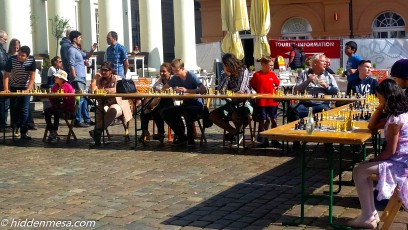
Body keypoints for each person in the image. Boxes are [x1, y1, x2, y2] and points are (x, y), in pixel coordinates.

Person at [347, 79, 408, 229]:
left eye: (380, 98)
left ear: (388, 97)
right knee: (362, 170)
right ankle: (370, 214)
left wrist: (373, 160)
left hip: (401, 163)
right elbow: (372, 126)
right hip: (401, 159)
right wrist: (381, 107)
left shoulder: (395, 120)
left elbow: (390, 151)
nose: (378, 100)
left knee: (360, 170)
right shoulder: (399, 114)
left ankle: (368, 216)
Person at [287, 54, 338, 149]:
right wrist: (308, 81)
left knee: (327, 112)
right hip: (305, 104)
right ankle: (297, 140)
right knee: (292, 109)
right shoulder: (304, 73)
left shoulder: (328, 75)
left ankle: (327, 143)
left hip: (321, 104)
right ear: (315, 63)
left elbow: (336, 91)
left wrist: (327, 87)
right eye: (322, 61)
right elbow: (297, 90)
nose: (325, 63)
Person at [161, 58, 206, 146]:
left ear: (182, 68)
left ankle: (191, 138)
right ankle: (181, 135)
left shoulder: (191, 75)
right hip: (185, 105)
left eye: (176, 71)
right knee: (165, 112)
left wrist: (187, 90)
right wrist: (174, 89)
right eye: (173, 71)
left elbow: (203, 89)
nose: (175, 73)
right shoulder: (175, 78)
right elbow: (164, 88)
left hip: (197, 105)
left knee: (187, 111)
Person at [209, 53, 253, 142]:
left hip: (245, 103)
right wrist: (227, 76)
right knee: (212, 115)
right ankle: (235, 133)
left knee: (235, 115)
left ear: (229, 64)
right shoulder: (225, 74)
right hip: (231, 103)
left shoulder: (243, 71)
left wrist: (229, 93)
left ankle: (236, 133)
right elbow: (220, 91)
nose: (224, 67)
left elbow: (241, 90)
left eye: (225, 65)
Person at [89, 61, 132, 146]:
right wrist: (94, 79)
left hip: (119, 104)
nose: (103, 72)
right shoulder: (100, 80)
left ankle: (97, 130)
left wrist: (108, 90)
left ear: (111, 70)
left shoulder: (117, 78)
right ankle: (97, 137)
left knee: (113, 110)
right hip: (104, 103)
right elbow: (93, 91)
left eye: (106, 70)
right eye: (102, 70)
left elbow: (119, 89)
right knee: (99, 110)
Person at [3, 46, 36, 140]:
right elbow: (6, 75)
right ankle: (15, 127)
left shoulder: (31, 60)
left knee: (25, 109)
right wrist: (6, 88)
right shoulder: (12, 60)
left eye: (23, 56)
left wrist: (28, 89)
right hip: (14, 86)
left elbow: (32, 77)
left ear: (27, 56)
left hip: (25, 85)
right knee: (14, 107)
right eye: (19, 54)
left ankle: (24, 131)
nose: (20, 57)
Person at [66, 30, 97, 127]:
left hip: (82, 76)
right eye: (79, 38)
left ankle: (85, 118)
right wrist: (74, 76)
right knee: (79, 99)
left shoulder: (77, 50)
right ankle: (77, 119)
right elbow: (71, 63)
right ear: (74, 39)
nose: (81, 39)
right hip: (77, 77)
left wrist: (92, 50)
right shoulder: (71, 50)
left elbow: (86, 56)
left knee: (83, 98)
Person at [249, 56, 281, 148]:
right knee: (263, 120)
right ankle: (265, 139)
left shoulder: (272, 74)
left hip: (272, 101)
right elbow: (252, 84)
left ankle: (275, 138)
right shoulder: (257, 75)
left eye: (272, 65)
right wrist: (259, 92)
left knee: (273, 120)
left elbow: (278, 83)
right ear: (263, 65)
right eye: (270, 65)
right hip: (262, 102)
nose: (271, 67)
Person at [139, 62, 174, 143]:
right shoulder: (159, 81)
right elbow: (153, 90)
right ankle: (145, 131)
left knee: (157, 111)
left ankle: (161, 133)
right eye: (161, 71)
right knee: (144, 111)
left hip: (172, 103)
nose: (162, 73)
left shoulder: (174, 80)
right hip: (159, 103)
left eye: (164, 71)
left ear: (169, 72)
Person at [44, 70, 75, 143]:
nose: (54, 78)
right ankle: (52, 131)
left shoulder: (68, 86)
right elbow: (52, 99)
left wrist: (62, 103)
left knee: (56, 112)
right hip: (57, 107)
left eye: (56, 77)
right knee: (47, 111)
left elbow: (71, 100)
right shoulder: (55, 87)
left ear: (61, 79)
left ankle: (54, 131)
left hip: (67, 109)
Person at [0, 30, 9, 132]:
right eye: (4, 39)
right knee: (3, 102)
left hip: (3, 76)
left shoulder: (2, 49)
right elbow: (2, 63)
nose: (6, 41)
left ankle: (3, 122)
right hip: (1, 77)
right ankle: (2, 123)